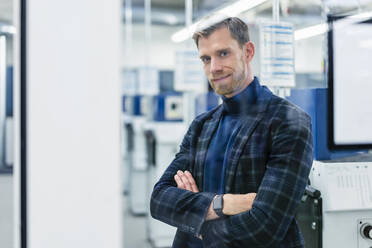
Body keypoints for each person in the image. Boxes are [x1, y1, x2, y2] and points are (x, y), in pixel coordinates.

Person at [150, 17, 313, 248]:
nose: (214, 67)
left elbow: (266, 225)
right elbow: (159, 200)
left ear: (248, 52)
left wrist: (195, 217)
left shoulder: (288, 122)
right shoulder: (201, 126)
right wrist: (222, 204)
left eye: (223, 53)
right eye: (206, 59)